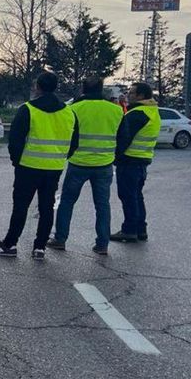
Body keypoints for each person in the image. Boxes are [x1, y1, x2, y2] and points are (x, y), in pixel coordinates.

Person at [0, 71, 74, 259]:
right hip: (54, 167)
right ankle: (39, 247)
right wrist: (60, 157)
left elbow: (15, 140)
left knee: (21, 207)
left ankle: (10, 244)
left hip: (28, 166)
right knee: (46, 208)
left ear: (37, 87)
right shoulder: (69, 112)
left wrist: (16, 161)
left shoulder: (28, 109)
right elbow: (75, 143)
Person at [50, 77, 123, 254]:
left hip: (78, 163)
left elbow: (67, 135)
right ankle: (102, 244)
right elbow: (123, 137)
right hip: (104, 164)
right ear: (101, 89)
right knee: (102, 205)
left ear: (83, 89)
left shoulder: (74, 109)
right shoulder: (116, 110)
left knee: (67, 202)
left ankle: (60, 238)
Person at [110, 82, 160, 243]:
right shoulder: (152, 111)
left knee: (128, 196)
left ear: (141, 96)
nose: (128, 95)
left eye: (132, 92)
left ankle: (129, 229)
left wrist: (115, 157)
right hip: (142, 160)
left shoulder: (137, 113)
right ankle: (140, 229)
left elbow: (124, 138)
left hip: (130, 160)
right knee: (137, 196)